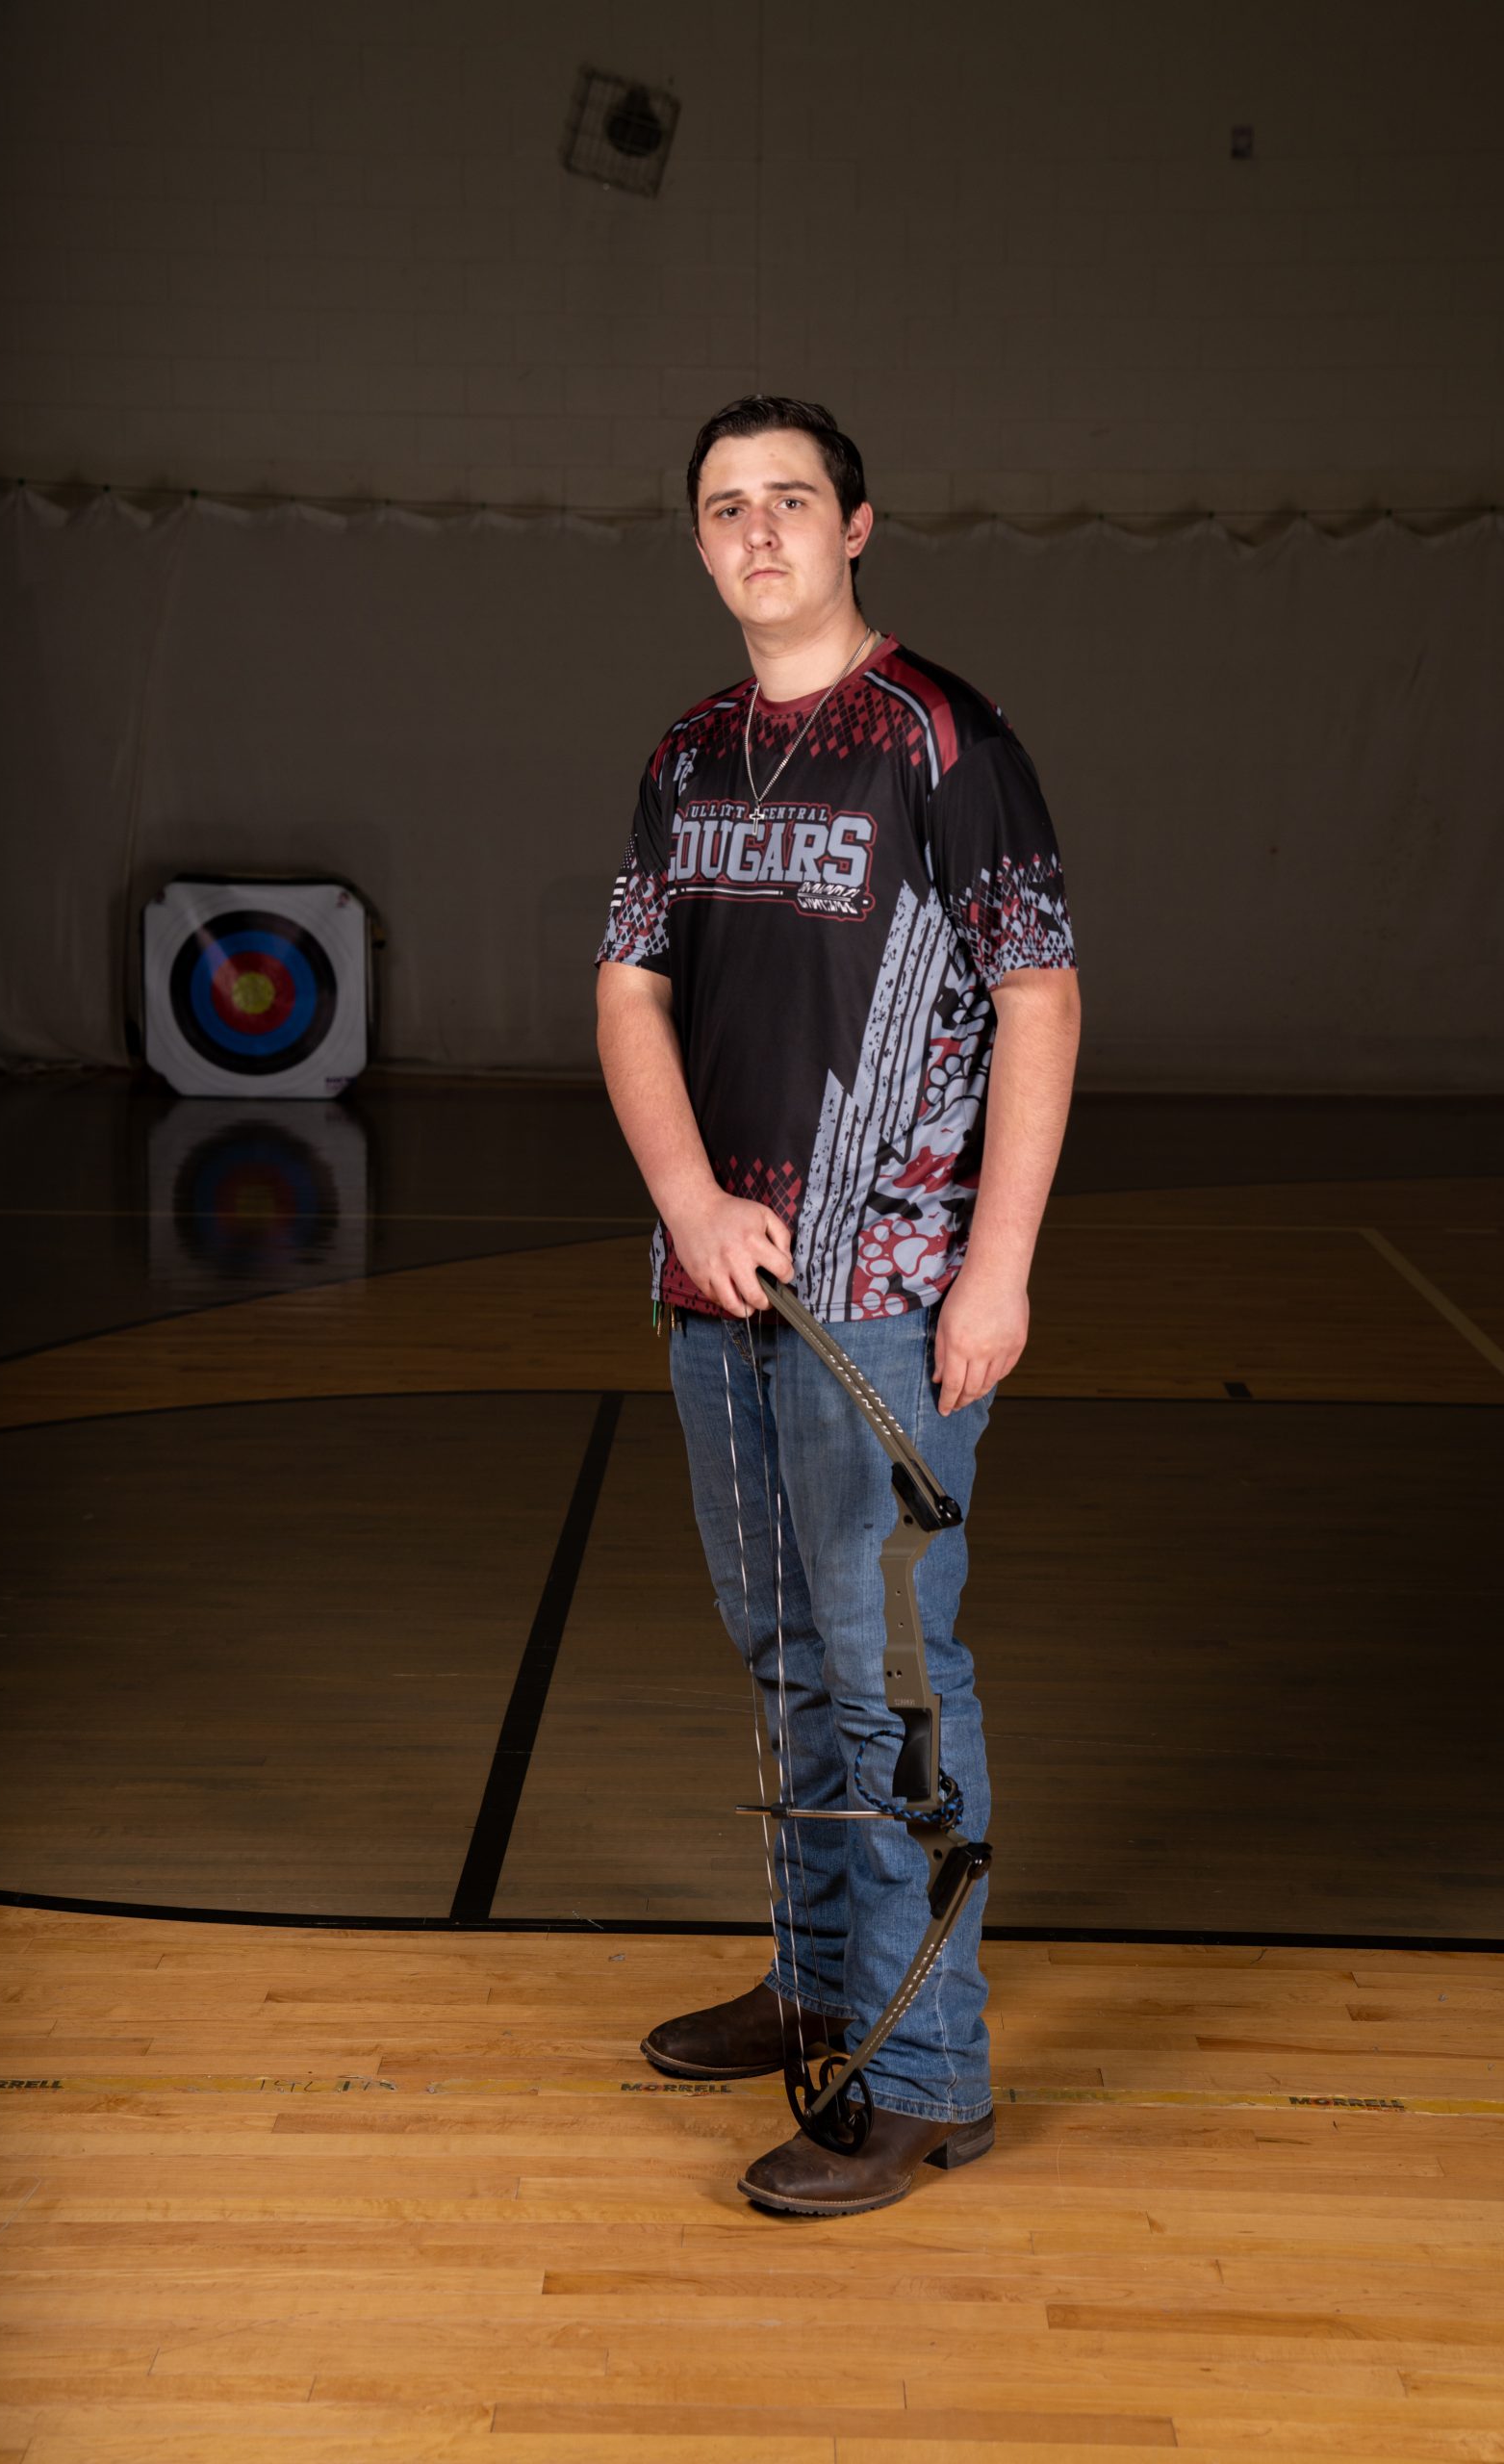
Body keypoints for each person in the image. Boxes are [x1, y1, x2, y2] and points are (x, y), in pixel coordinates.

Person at [595, 395, 1080, 2216]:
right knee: (786, 1654)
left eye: (789, 499)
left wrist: (996, 1268)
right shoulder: (686, 750)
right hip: (718, 1281)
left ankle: (925, 2072)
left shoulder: (944, 739)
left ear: (855, 526)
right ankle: (819, 1983)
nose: (758, 532)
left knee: (886, 1683)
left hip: (884, 1292)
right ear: (698, 540)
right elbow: (629, 991)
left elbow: (1038, 997)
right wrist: (687, 1202)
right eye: (725, 506)